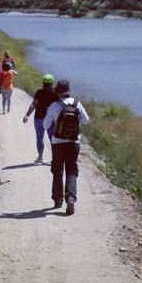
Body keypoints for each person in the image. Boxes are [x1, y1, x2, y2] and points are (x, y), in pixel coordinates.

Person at [44, 80, 90, 216]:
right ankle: (70, 199)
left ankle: (58, 199)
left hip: (58, 143)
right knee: (71, 170)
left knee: (57, 170)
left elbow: (45, 125)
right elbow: (86, 120)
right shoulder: (77, 104)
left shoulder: (54, 105)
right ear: (69, 90)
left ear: (58, 91)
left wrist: (55, 124)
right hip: (74, 142)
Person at [22, 74, 57, 164]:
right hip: (50, 120)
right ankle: (54, 159)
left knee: (39, 138)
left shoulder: (39, 92)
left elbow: (34, 104)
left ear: (43, 83)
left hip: (39, 119)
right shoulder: (55, 93)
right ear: (52, 83)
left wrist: (27, 115)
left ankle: (40, 157)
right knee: (52, 139)